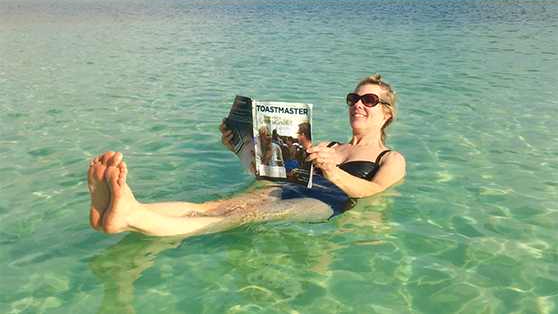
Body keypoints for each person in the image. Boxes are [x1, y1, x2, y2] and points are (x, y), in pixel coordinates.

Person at [87, 75, 405, 237]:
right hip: (289, 188)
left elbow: (374, 191)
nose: (358, 104)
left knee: (242, 215)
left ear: (387, 113)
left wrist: (334, 172)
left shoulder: (389, 158)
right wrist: (241, 148)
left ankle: (132, 218)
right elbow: (277, 171)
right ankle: (120, 211)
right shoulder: (328, 144)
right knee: (213, 207)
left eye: (369, 99)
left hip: (327, 202)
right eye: (354, 97)